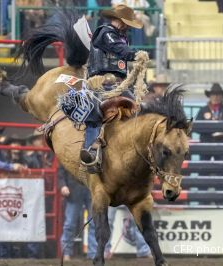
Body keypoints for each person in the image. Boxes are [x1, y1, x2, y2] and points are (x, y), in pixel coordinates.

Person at [81, 4, 144, 171]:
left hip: (118, 83)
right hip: (100, 82)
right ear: (117, 20)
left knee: (138, 110)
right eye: (124, 22)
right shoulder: (106, 32)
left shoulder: (121, 37)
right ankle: (91, 153)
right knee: (94, 113)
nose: (126, 26)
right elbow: (119, 49)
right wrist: (135, 54)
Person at [58, 165, 97, 261]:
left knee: (94, 224)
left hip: (90, 189)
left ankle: (93, 253)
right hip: (75, 190)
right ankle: (66, 252)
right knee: (70, 224)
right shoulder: (70, 150)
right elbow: (61, 169)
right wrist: (63, 185)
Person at [196, 83, 223, 160]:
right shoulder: (203, 110)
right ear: (210, 97)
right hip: (206, 144)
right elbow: (197, 128)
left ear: (222, 97)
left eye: (218, 95)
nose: (215, 97)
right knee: (203, 168)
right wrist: (211, 131)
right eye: (213, 95)